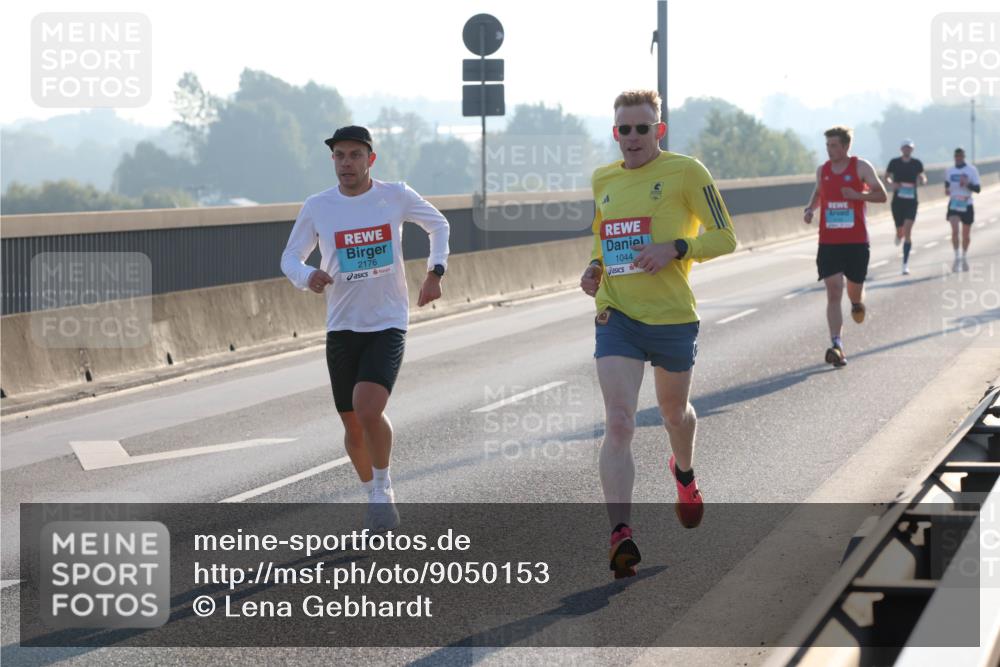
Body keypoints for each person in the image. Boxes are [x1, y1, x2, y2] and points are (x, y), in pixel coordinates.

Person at [579, 89, 737, 578]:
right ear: (615, 133)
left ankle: (684, 473)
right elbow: (601, 235)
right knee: (620, 422)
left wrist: (677, 247)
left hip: (671, 316)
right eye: (623, 129)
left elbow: (726, 236)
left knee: (674, 413)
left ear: (658, 130)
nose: (631, 138)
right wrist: (594, 267)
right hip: (618, 315)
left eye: (641, 128)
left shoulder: (687, 172)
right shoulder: (603, 179)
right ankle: (620, 533)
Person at [281, 125, 450, 531]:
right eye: (339, 156)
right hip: (342, 326)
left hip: (388, 321)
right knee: (353, 427)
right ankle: (372, 488)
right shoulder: (319, 206)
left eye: (355, 155)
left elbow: (439, 225)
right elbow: (290, 257)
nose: (346, 163)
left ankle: (383, 489)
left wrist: (435, 272)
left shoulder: (395, 195)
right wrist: (307, 276)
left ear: (370, 159)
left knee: (368, 406)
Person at [803, 126, 887, 368]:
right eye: (828, 145)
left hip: (856, 241)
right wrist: (810, 208)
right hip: (829, 241)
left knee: (854, 289)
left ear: (846, 146)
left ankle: (857, 303)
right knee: (833, 290)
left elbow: (881, 196)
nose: (830, 150)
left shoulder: (861, 167)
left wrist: (856, 195)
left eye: (834, 145)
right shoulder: (823, 170)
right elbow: (819, 193)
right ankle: (837, 345)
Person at [884, 139, 926, 275]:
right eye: (905, 148)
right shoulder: (894, 162)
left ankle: (905, 264)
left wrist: (923, 180)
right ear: (901, 149)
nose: (907, 150)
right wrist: (892, 184)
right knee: (900, 230)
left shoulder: (916, 163)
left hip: (911, 201)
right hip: (897, 202)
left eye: (909, 148)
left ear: (912, 150)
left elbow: (922, 175)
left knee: (908, 231)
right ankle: (898, 233)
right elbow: (886, 177)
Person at [945, 147, 981, 272]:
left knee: (966, 235)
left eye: (960, 156)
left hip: (967, 203)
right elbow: (947, 184)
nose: (958, 158)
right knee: (955, 231)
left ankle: (964, 256)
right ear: (954, 157)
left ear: (964, 157)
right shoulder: (950, 171)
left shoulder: (971, 170)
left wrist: (967, 184)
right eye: (956, 156)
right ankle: (957, 256)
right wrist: (947, 189)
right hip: (954, 203)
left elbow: (978, 189)